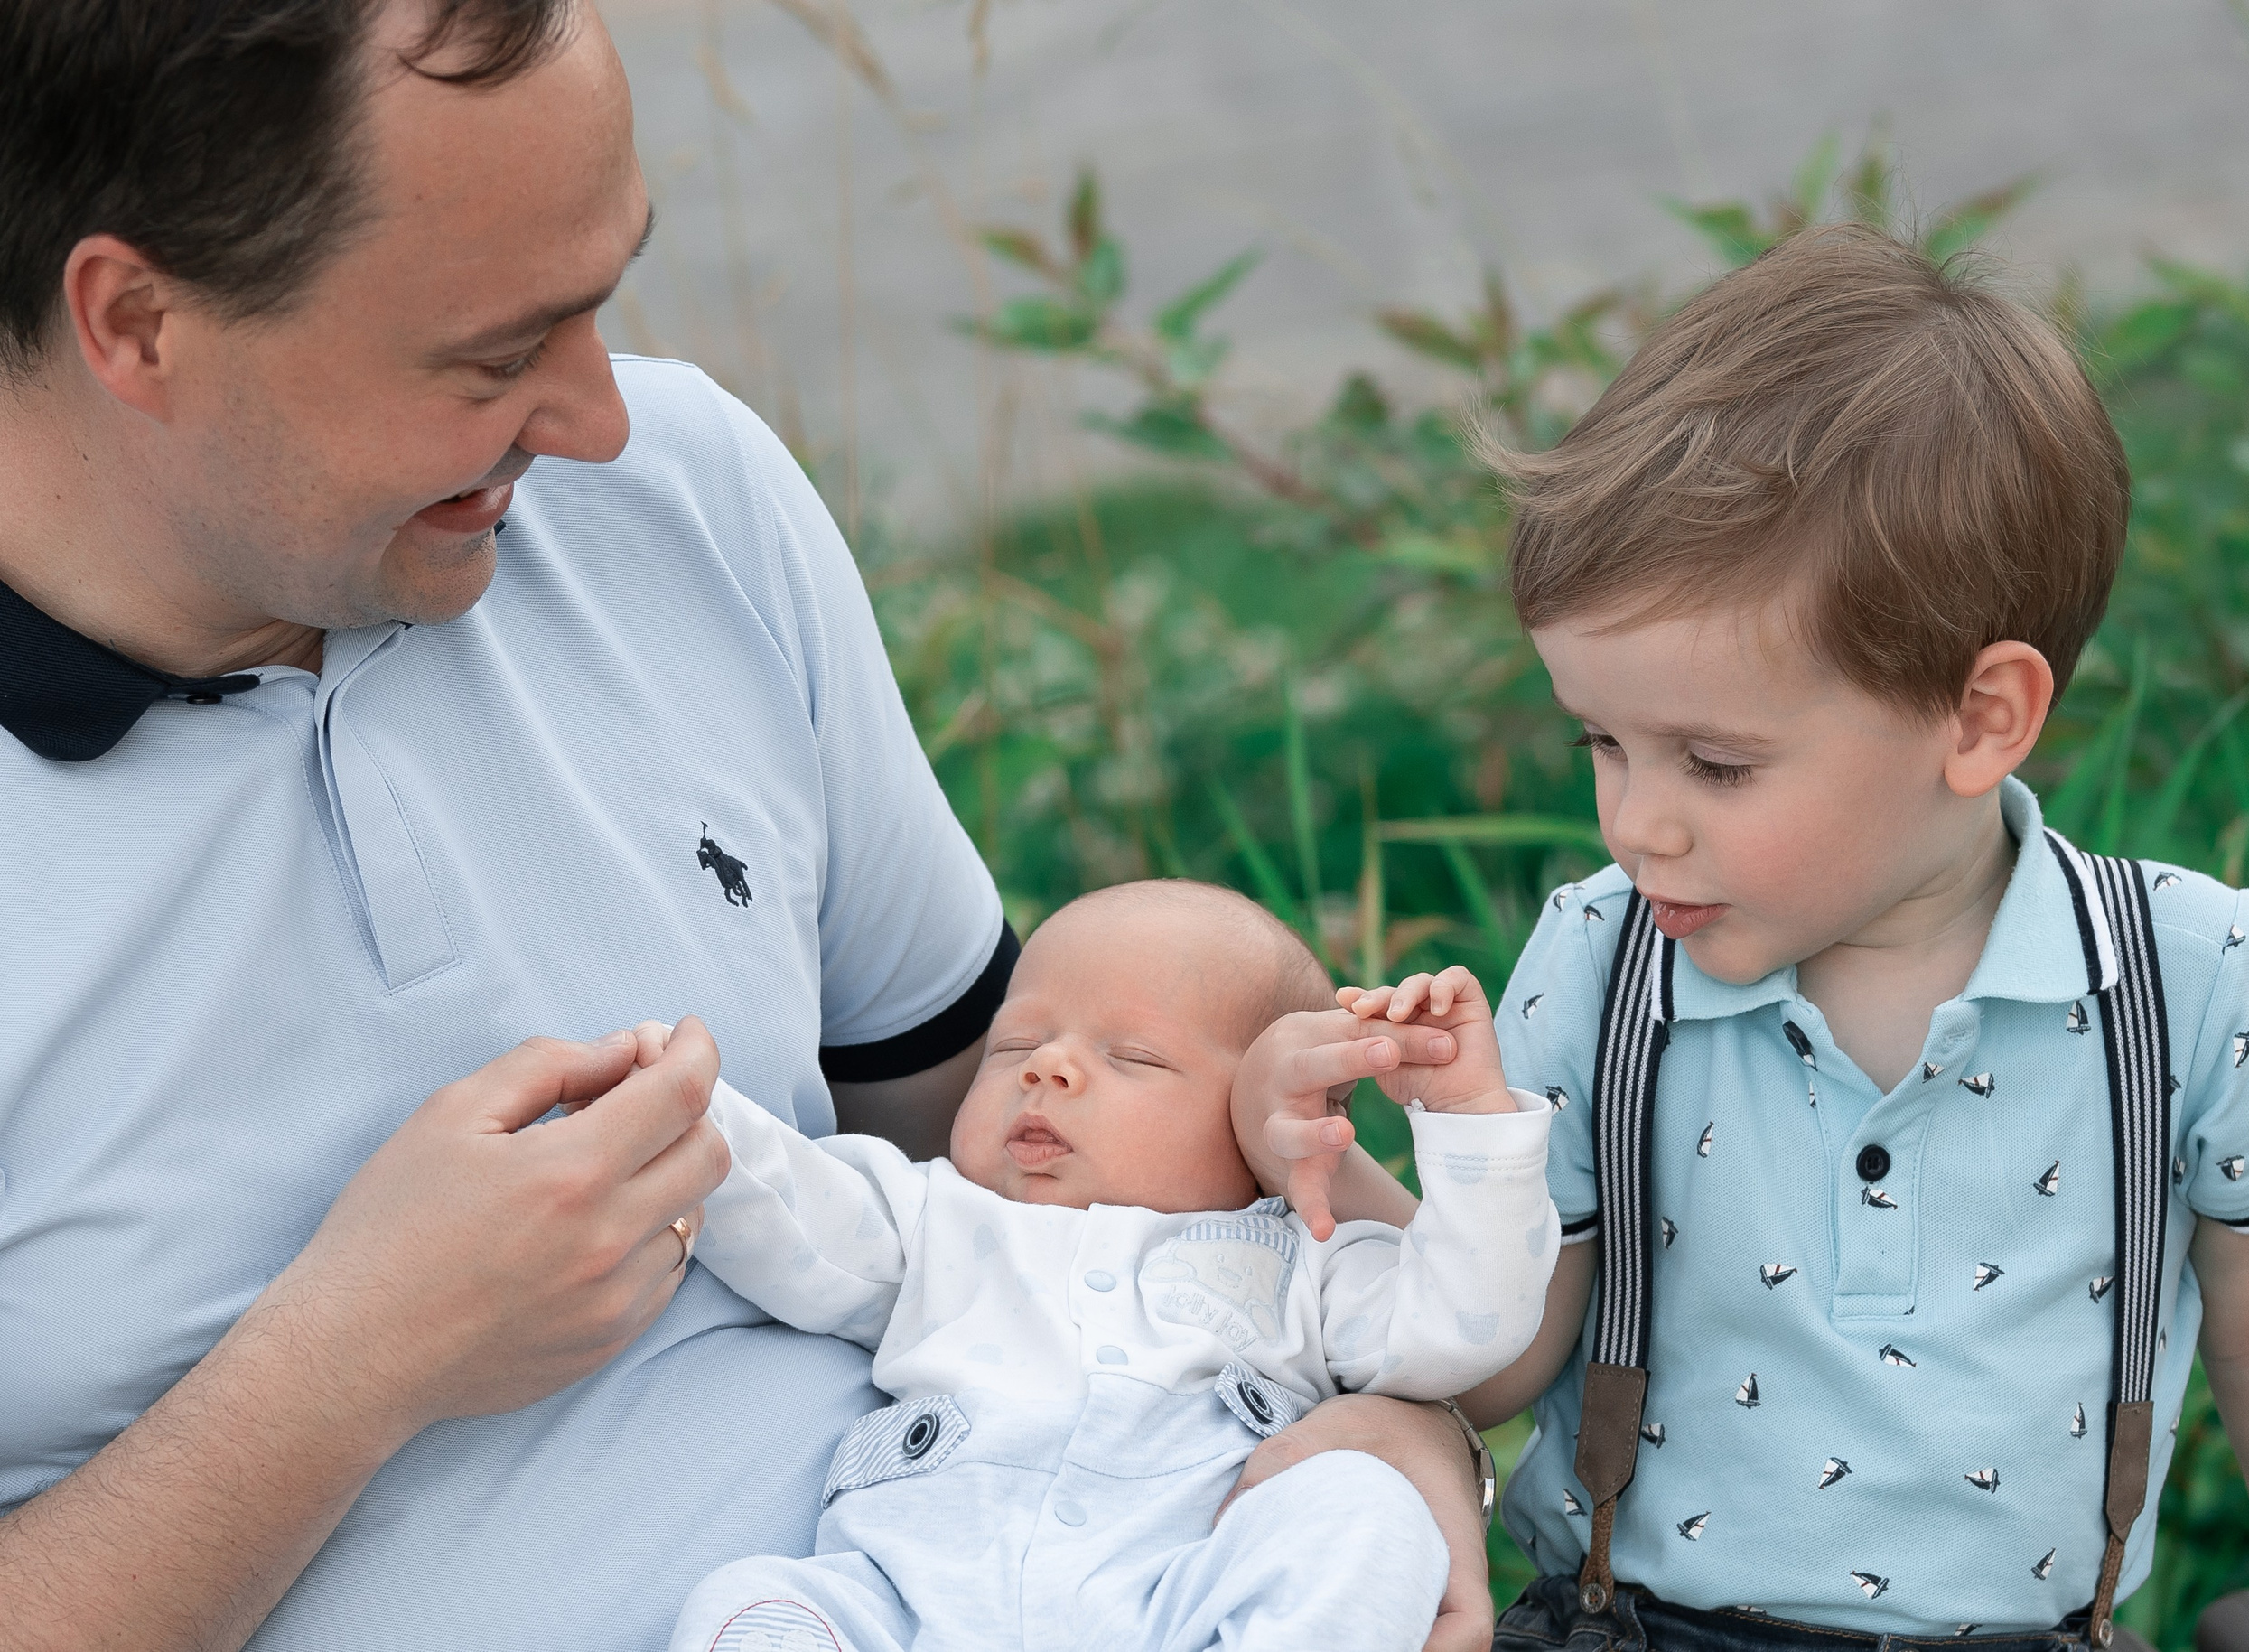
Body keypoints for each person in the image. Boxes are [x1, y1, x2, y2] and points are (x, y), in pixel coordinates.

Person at [0, 4, 1492, 1647]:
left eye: (600, 301)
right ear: (135, 322)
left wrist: (1373, 1413)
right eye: (492, 357)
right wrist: (348, 1362)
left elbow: (1013, 1156)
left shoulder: (687, 500)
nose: (602, 420)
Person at [1255, 226, 2249, 1649]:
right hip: (1635, 1623)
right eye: (1603, 742)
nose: (1639, 824)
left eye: (1717, 762)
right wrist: (1359, 1175)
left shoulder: (2179, 978)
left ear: (1980, 716)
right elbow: (1503, 1346)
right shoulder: (1608, 961)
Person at [662, 882, 1559, 1652]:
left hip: (1180, 1606)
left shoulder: (1304, 1261)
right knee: (748, 1600)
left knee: (1368, 1504)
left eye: (1130, 1055)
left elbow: (1464, 1325)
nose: (1046, 1067)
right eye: (1014, 1045)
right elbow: (787, 1205)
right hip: (917, 1600)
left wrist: (1472, 1120)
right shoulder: (934, 1215)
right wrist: (671, 1106)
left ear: (1256, 1117)